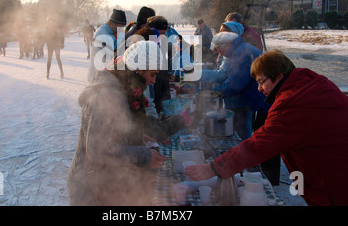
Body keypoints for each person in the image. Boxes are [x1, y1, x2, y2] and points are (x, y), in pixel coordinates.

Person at [186, 50, 348, 206]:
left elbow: (258, 146)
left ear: (279, 76)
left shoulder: (293, 104)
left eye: (262, 82)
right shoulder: (310, 84)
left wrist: (214, 168)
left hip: (335, 179)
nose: (259, 88)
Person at [67, 41, 168, 206]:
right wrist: (145, 155)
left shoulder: (120, 85)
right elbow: (99, 151)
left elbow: (111, 131)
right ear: (138, 70)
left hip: (103, 184)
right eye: (152, 74)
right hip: (91, 191)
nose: (154, 81)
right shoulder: (108, 96)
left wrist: (135, 136)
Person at [200, 32, 268, 140]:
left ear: (227, 44)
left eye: (219, 48)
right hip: (255, 97)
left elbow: (235, 84)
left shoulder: (241, 54)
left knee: (254, 136)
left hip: (259, 98)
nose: (219, 53)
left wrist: (213, 93)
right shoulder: (240, 49)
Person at [87, 9, 127, 81]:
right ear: (112, 24)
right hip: (98, 78)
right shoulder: (102, 33)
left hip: (103, 75)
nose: (121, 30)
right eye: (120, 27)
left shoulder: (109, 32)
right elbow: (113, 54)